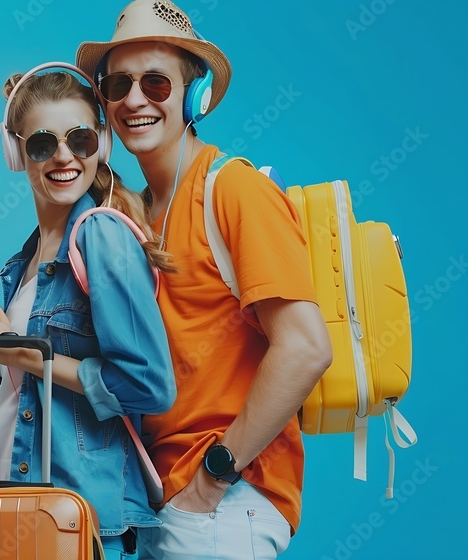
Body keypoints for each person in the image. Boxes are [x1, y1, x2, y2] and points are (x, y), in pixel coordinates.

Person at [75, 1, 333, 558]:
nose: (135, 99)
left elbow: (307, 347)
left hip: (221, 504)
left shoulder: (232, 190)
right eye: (118, 84)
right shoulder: (136, 214)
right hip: (162, 505)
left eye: (156, 83)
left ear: (195, 95)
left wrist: (212, 479)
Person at [0, 64, 177, 559]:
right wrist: (7, 351)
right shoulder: (25, 261)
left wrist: (21, 354)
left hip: (76, 516)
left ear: (102, 144)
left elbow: (149, 384)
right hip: (18, 503)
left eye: (81, 139)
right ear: (15, 152)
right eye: (43, 144)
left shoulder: (100, 236)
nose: (64, 157)